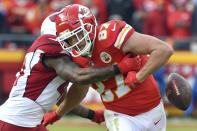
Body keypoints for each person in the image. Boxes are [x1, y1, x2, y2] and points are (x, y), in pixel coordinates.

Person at [42, 4, 174, 131]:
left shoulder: (110, 35)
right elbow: (79, 90)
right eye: (70, 39)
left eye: (79, 34)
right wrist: (57, 114)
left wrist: (139, 77)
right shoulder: (76, 59)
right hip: (119, 115)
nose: (76, 43)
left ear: (89, 26)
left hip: (154, 109)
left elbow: (163, 50)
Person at [0, 20, 141, 131]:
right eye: (71, 36)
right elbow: (78, 76)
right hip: (15, 121)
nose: (75, 40)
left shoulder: (53, 65)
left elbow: (64, 101)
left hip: (26, 121)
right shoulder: (51, 50)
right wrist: (120, 67)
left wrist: (92, 115)